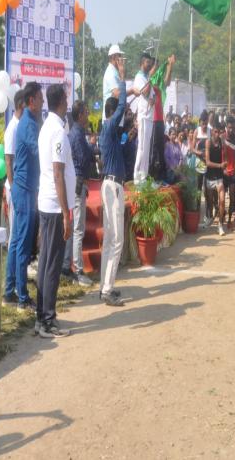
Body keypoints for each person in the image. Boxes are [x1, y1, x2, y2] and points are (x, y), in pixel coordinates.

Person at [35, 84, 75, 338]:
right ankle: (47, 320)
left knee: (45, 262)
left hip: (47, 203)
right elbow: (58, 172)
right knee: (52, 264)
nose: (68, 102)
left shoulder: (47, 127)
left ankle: (42, 317)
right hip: (54, 206)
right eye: (66, 98)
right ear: (61, 101)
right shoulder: (57, 131)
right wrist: (66, 212)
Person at [3, 82, 43, 311]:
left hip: (23, 188)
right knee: (23, 245)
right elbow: (40, 152)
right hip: (25, 189)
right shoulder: (28, 125)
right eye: (40, 98)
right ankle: (22, 298)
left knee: (17, 242)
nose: (43, 102)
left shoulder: (28, 122)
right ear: (31, 101)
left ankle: (10, 292)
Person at [99, 58, 127, 306]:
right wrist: (123, 78)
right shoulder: (108, 126)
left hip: (111, 185)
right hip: (113, 187)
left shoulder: (108, 131)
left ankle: (105, 287)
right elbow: (123, 105)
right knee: (116, 240)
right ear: (112, 112)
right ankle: (107, 289)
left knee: (110, 239)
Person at [65, 100, 94, 287]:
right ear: (80, 115)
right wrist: (91, 148)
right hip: (78, 182)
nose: (88, 115)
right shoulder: (77, 134)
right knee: (78, 229)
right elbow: (83, 159)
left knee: (75, 227)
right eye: (86, 112)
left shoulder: (75, 132)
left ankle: (68, 265)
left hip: (76, 182)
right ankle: (78, 270)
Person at [148, 54, 176, 181]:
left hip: (159, 120)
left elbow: (167, 82)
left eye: (158, 66)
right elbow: (150, 78)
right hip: (152, 120)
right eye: (155, 66)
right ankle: (151, 176)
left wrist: (170, 66)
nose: (158, 69)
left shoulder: (158, 85)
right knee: (153, 150)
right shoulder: (149, 82)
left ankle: (161, 176)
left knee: (160, 148)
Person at [3, 90, 25, 243]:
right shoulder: (12, 128)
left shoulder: (21, 125)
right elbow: (8, 161)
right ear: (21, 105)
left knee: (21, 231)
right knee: (15, 234)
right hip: (15, 187)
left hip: (21, 186)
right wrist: (13, 188)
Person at [133, 53, 156, 183]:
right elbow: (145, 92)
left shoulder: (147, 77)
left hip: (149, 117)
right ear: (142, 63)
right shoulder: (139, 77)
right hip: (143, 116)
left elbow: (153, 96)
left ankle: (144, 176)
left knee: (147, 148)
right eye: (148, 62)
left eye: (150, 63)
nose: (150, 65)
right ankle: (137, 177)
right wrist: (150, 78)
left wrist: (154, 100)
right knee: (142, 147)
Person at [205, 123, 227, 234]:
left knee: (222, 200)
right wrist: (220, 165)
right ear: (212, 132)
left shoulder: (222, 143)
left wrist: (225, 166)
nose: (217, 134)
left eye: (219, 132)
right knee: (210, 201)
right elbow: (208, 162)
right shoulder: (208, 142)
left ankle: (220, 224)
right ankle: (210, 216)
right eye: (215, 132)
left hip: (219, 176)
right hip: (209, 176)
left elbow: (225, 158)